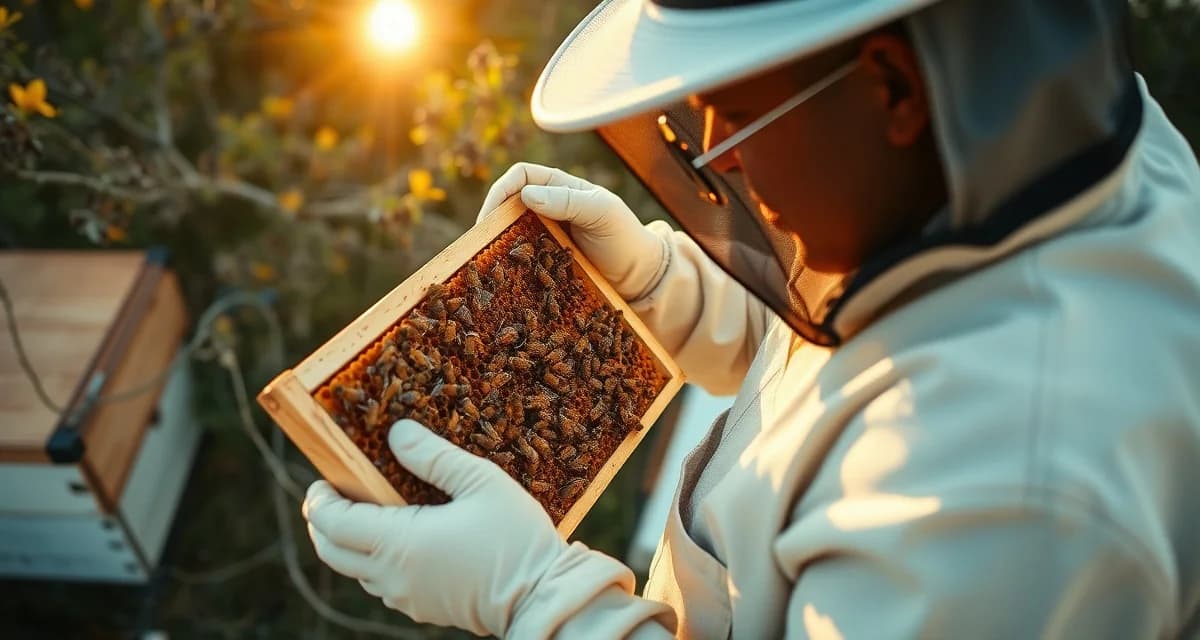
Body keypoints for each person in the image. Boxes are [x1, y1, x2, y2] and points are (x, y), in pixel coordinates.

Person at [301, 0, 1200, 637]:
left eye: (730, 120)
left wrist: (535, 600)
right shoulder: (1022, 143)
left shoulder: (1016, 504)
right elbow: (855, 344)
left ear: (891, 87)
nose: (717, 165)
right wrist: (664, 290)